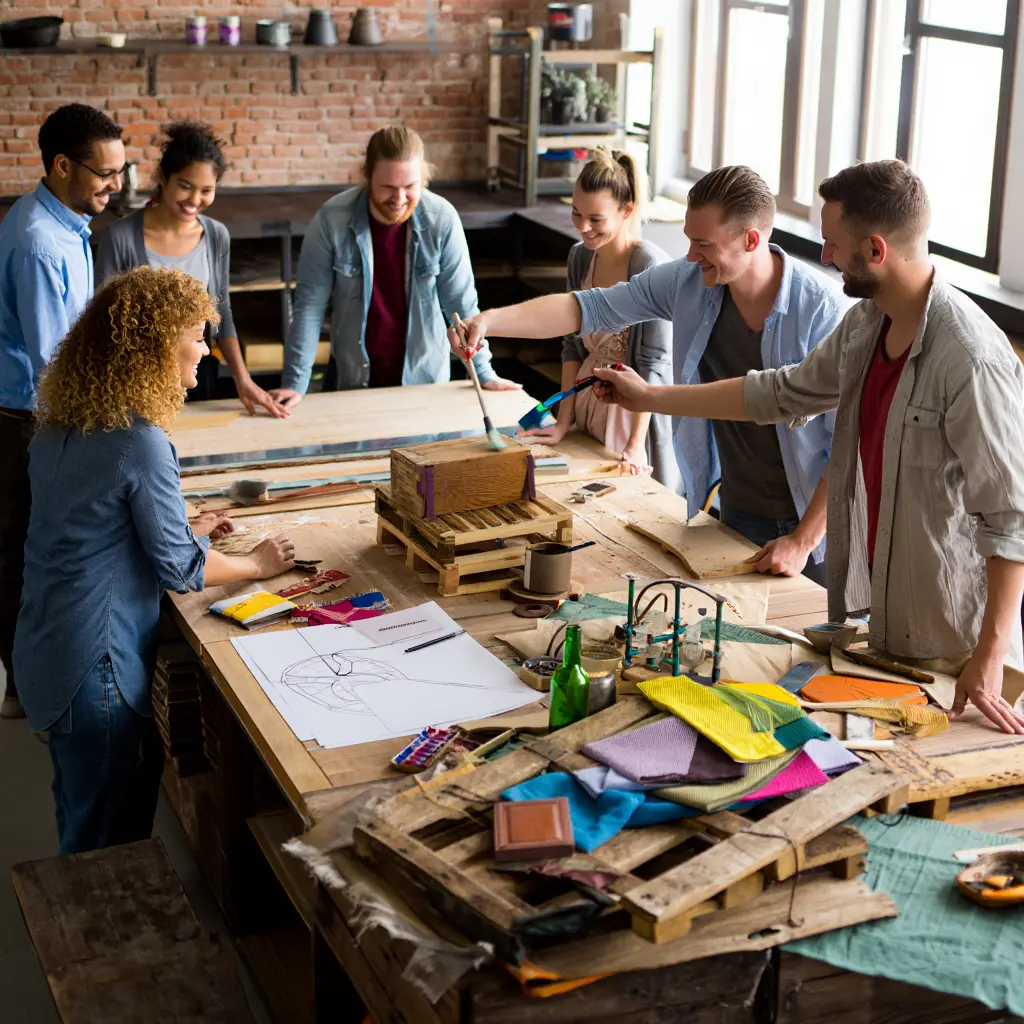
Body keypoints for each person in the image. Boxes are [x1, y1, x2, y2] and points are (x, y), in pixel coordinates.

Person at [590, 159, 1024, 735]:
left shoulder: (969, 357)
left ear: (875, 250)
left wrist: (990, 655)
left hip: (961, 649)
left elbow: (1010, 519)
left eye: (833, 243)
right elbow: (780, 392)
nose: (823, 256)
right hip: (889, 626)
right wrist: (650, 397)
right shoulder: (868, 324)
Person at [451, 166, 850, 585]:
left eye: (703, 244)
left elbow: (848, 444)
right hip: (737, 508)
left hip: (817, 527)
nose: (692, 255)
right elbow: (589, 308)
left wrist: (803, 541)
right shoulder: (689, 279)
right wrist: (489, 322)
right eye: (689, 240)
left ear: (751, 240)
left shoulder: (822, 312)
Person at [13, 267, 296, 854]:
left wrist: (180, 527)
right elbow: (182, 570)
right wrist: (258, 566)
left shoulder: (60, 424)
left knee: (81, 808)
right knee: (110, 843)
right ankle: (101, 943)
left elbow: (91, 527)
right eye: (196, 335)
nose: (206, 349)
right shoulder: (138, 440)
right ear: (154, 346)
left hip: (45, 645)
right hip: (99, 664)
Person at [0, 103, 125, 721]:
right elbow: (55, 365)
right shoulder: (40, 243)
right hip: (26, 423)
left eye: (119, 172)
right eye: (105, 174)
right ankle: (27, 693)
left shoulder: (63, 222)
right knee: (26, 552)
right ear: (60, 165)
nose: (115, 186)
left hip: (42, 414)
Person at [273, 125, 520, 405]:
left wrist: (484, 373)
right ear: (367, 177)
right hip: (353, 380)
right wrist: (295, 384)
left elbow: (461, 305)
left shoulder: (443, 219)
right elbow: (309, 306)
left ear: (423, 178)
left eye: (409, 187)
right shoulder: (332, 219)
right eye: (388, 188)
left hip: (425, 383)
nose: (399, 200)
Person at [95, 121, 287, 417]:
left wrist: (243, 379)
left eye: (206, 190)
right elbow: (103, 325)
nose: (195, 200)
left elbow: (222, 315)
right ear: (164, 177)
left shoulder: (216, 235)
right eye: (185, 186)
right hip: (136, 383)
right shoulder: (119, 238)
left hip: (198, 374)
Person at [520, 149, 679, 486]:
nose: (583, 227)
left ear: (627, 211)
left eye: (596, 219)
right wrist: (563, 422)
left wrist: (636, 445)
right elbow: (572, 347)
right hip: (586, 402)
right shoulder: (580, 258)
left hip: (630, 413)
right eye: (577, 213)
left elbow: (654, 365)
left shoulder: (649, 266)